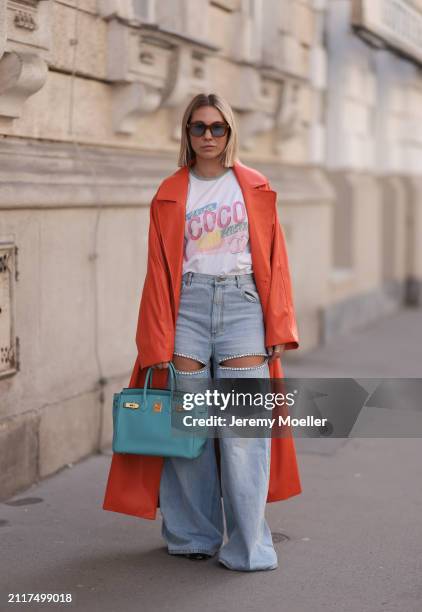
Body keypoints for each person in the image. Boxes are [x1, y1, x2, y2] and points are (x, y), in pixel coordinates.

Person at [143, 92, 300, 572]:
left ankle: (249, 546)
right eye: (198, 127)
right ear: (186, 134)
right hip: (186, 306)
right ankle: (194, 535)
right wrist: (154, 334)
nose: (208, 136)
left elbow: (276, 260)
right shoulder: (171, 191)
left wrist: (279, 323)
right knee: (189, 426)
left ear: (230, 132)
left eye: (218, 128)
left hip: (242, 306)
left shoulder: (253, 185)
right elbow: (157, 270)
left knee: (242, 431)